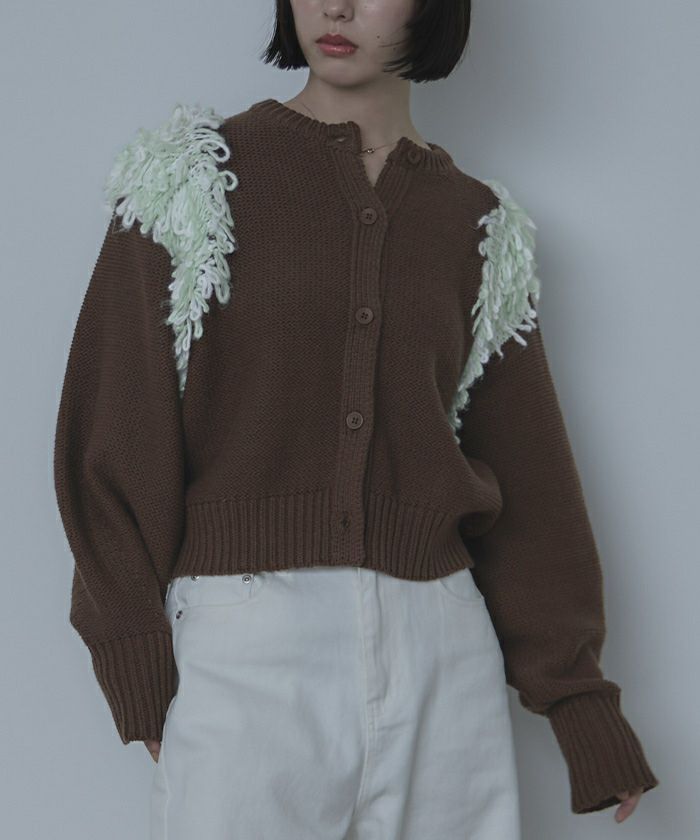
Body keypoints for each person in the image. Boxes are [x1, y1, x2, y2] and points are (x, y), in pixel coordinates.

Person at [53, 1, 659, 837]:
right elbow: (111, 435)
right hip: (246, 645)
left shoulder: (480, 226)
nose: (336, 6)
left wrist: (580, 701)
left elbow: (529, 478)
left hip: (442, 653)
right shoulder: (191, 179)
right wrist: (133, 651)